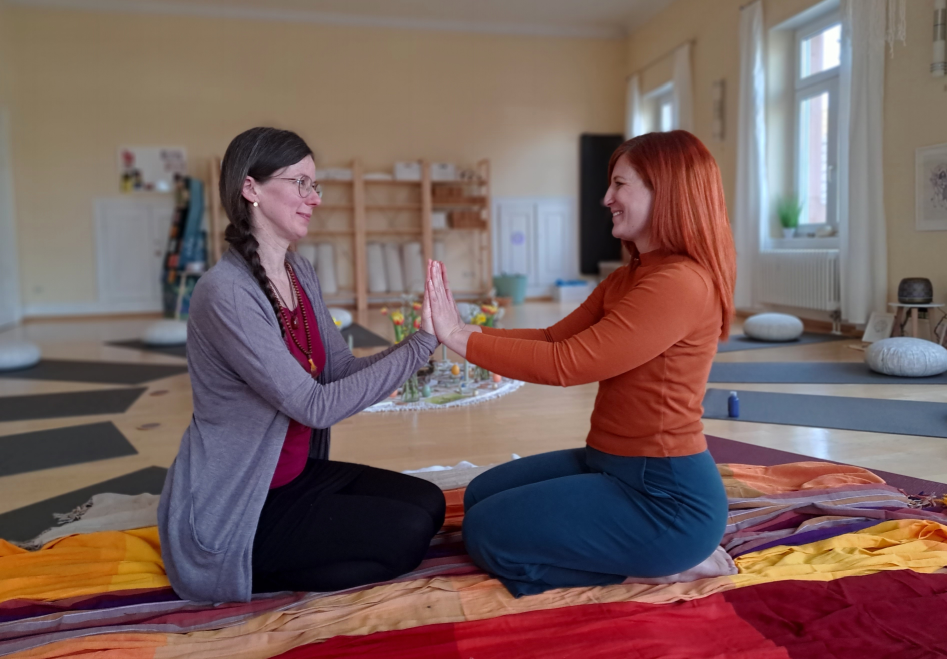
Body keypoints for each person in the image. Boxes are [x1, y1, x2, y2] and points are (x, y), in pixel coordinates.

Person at [425, 130, 735, 597]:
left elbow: (567, 363)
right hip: (609, 462)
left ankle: (659, 567)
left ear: (665, 191)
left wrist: (458, 339)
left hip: (664, 498)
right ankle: (650, 554)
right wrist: (465, 330)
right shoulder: (630, 277)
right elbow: (554, 338)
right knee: (479, 495)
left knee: (486, 532)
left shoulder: (681, 283)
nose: (606, 198)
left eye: (620, 184)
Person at [158, 127, 445, 603]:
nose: (314, 198)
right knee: (407, 533)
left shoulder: (299, 272)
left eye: (315, 185)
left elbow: (337, 371)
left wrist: (423, 338)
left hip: (295, 476)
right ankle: (238, 571)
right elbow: (314, 405)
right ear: (250, 188)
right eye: (300, 183)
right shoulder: (226, 292)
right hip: (240, 503)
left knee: (430, 503)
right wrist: (421, 345)